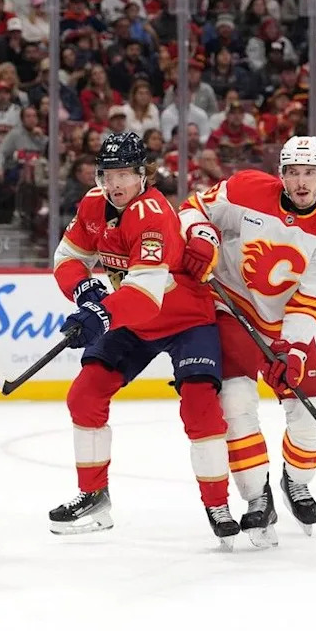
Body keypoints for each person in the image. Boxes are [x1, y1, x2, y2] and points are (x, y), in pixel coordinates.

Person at [50, 131, 238, 545]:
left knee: (200, 407)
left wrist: (99, 313)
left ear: (142, 175)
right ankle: (94, 496)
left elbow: (146, 295)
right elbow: (68, 258)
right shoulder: (93, 204)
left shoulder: (153, 215)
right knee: (84, 395)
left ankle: (217, 503)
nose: (114, 184)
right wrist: (84, 290)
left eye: (124, 174)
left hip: (186, 318)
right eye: (107, 174)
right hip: (134, 320)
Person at [178, 136, 316, 546]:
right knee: (236, 405)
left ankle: (297, 481)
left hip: (285, 322)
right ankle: (258, 498)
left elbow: (313, 300)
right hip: (232, 304)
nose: (301, 181)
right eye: (293, 172)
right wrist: (202, 234)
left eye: (310, 172)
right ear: (282, 174)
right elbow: (193, 209)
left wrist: (292, 349)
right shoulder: (246, 189)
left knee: (312, 416)